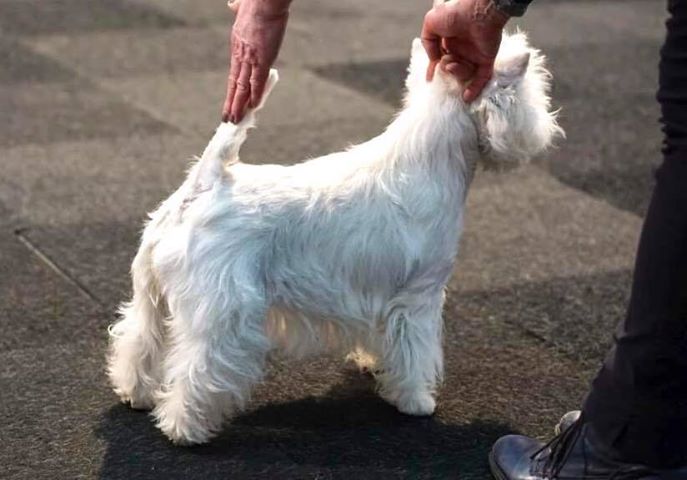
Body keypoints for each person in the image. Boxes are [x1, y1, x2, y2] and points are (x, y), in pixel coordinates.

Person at [221, 0, 687, 477]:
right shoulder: (432, 200)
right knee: (417, 291)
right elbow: (415, 300)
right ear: (499, 97)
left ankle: (640, 422)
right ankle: (630, 435)